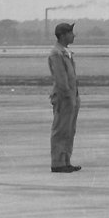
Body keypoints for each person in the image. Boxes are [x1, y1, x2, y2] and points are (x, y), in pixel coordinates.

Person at [48, 22, 82, 173]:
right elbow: (61, 79)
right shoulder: (57, 53)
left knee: (69, 130)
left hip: (71, 97)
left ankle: (65, 160)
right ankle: (57, 163)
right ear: (62, 36)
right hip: (64, 98)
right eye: (70, 33)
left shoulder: (64, 52)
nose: (73, 35)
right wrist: (68, 96)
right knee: (61, 130)